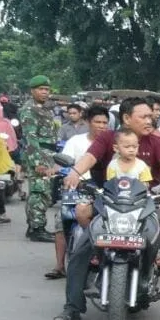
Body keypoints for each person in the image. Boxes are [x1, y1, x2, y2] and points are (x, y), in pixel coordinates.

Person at [54, 95, 160, 320]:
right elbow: (89, 157)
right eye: (144, 116)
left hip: (148, 205)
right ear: (127, 118)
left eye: (151, 115)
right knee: (81, 249)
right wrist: (75, 172)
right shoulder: (109, 138)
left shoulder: (156, 141)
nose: (151, 119)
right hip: (108, 204)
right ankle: (72, 307)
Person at [45, 105, 111, 280]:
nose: (102, 126)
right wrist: (55, 170)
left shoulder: (115, 143)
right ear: (88, 122)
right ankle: (59, 266)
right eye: (98, 122)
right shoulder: (76, 141)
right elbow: (63, 161)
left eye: (105, 122)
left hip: (106, 190)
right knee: (61, 220)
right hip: (78, 188)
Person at [19, 75, 60, 243]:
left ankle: (34, 226)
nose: (44, 92)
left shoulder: (43, 108)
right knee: (39, 192)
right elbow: (30, 138)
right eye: (41, 89)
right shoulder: (30, 110)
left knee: (41, 191)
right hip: (39, 154)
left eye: (47, 89)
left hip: (47, 153)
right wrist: (38, 162)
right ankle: (37, 228)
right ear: (32, 91)